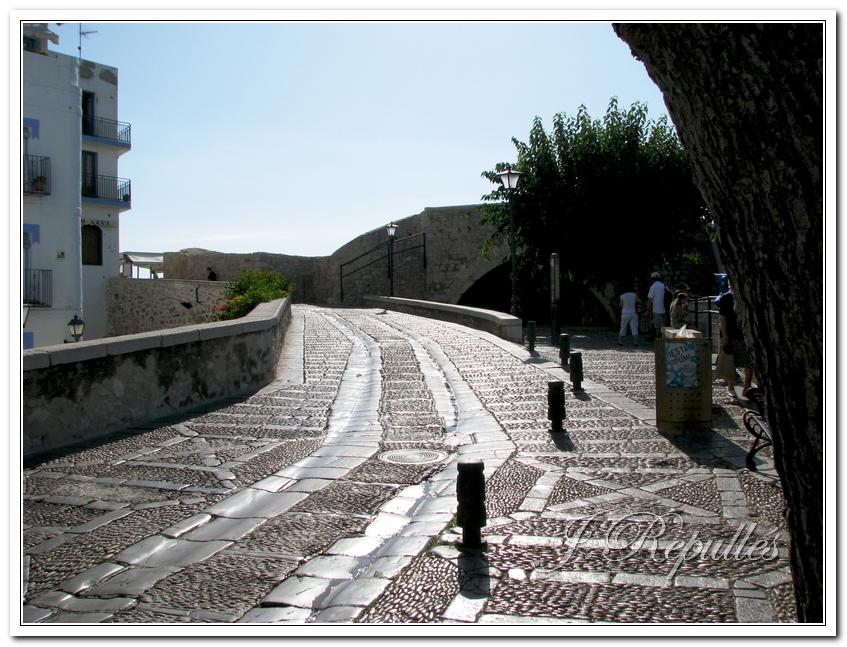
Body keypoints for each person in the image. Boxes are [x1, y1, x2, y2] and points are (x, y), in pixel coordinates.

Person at [716, 284, 754, 398]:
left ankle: (745, 386)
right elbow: (722, 318)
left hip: (743, 334)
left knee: (747, 361)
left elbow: (722, 318)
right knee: (732, 360)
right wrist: (725, 336)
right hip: (733, 333)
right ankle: (732, 386)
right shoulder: (727, 298)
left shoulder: (730, 297)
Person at [646, 271, 667, 336]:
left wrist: (647, 309)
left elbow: (649, 299)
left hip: (656, 310)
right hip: (664, 310)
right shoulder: (664, 286)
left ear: (652, 279)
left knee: (657, 327)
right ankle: (663, 339)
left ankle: (657, 339)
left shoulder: (653, 287)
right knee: (663, 326)